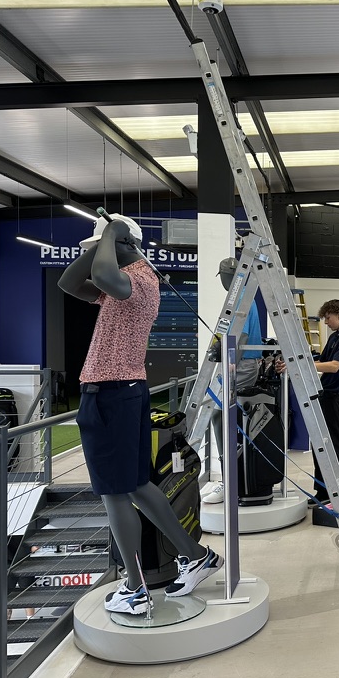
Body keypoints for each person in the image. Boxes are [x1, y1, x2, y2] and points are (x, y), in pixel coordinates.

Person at [58, 214, 223, 615]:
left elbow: (101, 271)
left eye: (102, 248)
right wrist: (103, 241)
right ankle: (196, 555)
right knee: (136, 486)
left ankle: (134, 588)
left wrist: (112, 234)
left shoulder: (138, 283)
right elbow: (68, 283)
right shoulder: (122, 287)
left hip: (112, 394)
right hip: (118, 393)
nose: (97, 254)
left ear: (123, 246)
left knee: (115, 494)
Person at [279, 299, 339, 505]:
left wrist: (302, 365)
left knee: (336, 447)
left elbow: (333, 366)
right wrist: (294, 362)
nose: (325, 322)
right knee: (320, 446)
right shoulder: (335, 337)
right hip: (325, 397)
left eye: (328, 318)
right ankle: (323, 493)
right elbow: (319, 360)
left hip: (337, 399)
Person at [202, 257, 265, 505]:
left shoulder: (242, 298)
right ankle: (231, 477)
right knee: (225, 417)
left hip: (241, 365)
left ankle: (230, 479)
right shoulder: (239, 298)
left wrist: (229, 364)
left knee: (222, 416)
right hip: (240, 364)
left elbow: (241, 335)